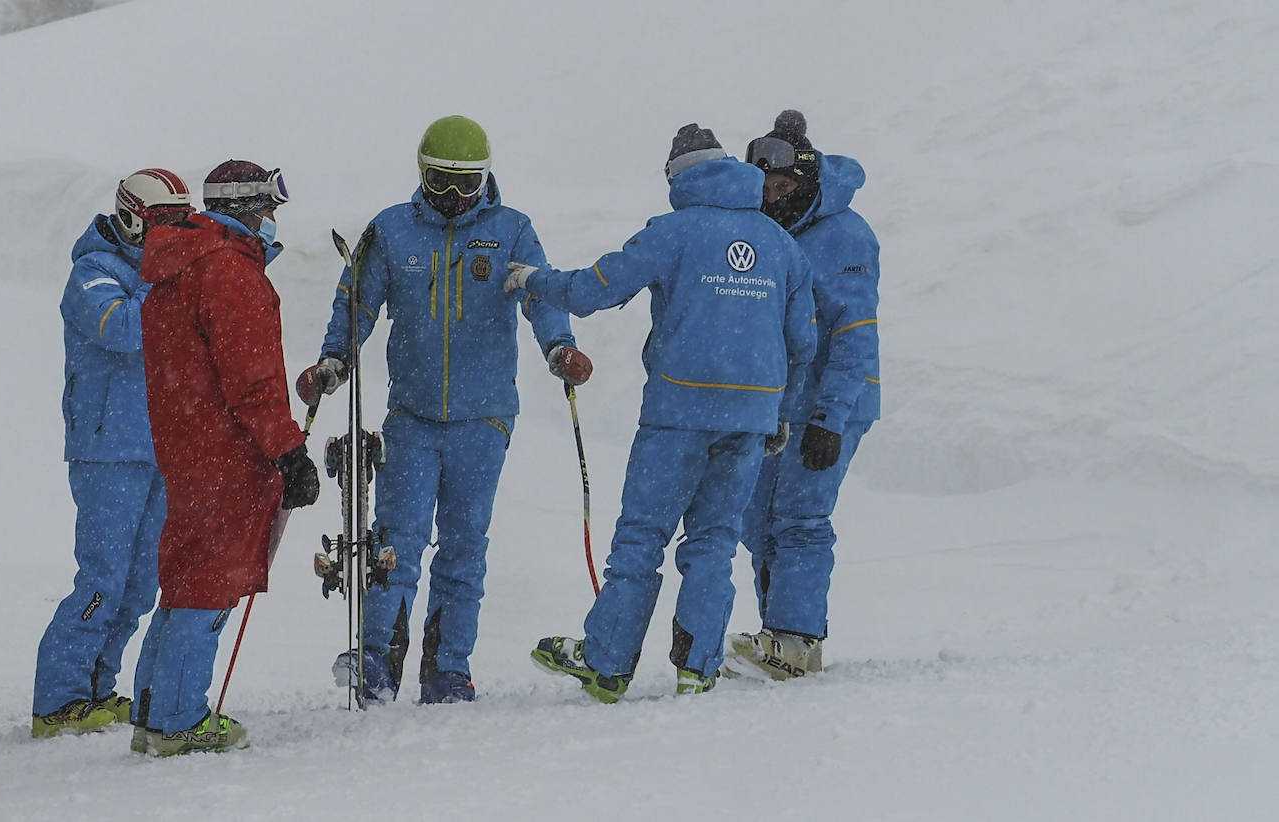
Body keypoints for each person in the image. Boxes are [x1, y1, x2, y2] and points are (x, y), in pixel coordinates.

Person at [517, 124, 817, 702]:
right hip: (750, 421)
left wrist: (535, 281)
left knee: (641, 538)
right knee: (714, 540)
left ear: (679, 178)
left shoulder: (673, 232)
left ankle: (607, 663)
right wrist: (776, 410)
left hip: (678, 411)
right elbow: (801, 341)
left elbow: (592, 290)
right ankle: (697, 666)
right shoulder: (781, 244)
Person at [296, 115, 590, 705]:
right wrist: (335, 359)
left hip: (484, 418)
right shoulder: (392, 230)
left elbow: (540, 293)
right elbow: (356, 301)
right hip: (413, 414)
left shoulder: (511, 230)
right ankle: (377, 658)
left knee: (464, 544)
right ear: (422, 174)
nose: (455, 199)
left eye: (468, 184)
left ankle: (448, 668)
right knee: (396, 540)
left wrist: (560, 347)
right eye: (442, 184)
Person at [131, 159, 319, 756]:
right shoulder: (229, 273)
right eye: (265, 210)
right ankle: (180, 721)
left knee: (184, 580)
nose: (270, 222)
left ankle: (154, 715)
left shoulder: (177, 266)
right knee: (210, 585)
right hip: (227, 454)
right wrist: (289, 451)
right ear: (242, 208)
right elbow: (254, 380)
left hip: (187, 451)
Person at [32, 169, 194, 739]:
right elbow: (124, 328)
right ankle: (57, 700)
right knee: (101, 577)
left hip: (157, 449)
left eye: (179, 224)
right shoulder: (93, 272)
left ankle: (96, 688)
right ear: (131, 217)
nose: (170, 236)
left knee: (140, 583)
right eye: (161, 224)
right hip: (107, 451)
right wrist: (167, 281)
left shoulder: (159, 276)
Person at [723, 110, 881, 681]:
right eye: (762, 184)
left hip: (832, 402)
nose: (772, 194)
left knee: (800, 516)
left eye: (783, 184)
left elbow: (855, 335)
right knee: (756, 520)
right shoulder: (767, 228)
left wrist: (830, 417)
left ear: (807, 177)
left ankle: (797, 638)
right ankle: (780, 639)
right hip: (779, 404)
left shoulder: (844, 234)